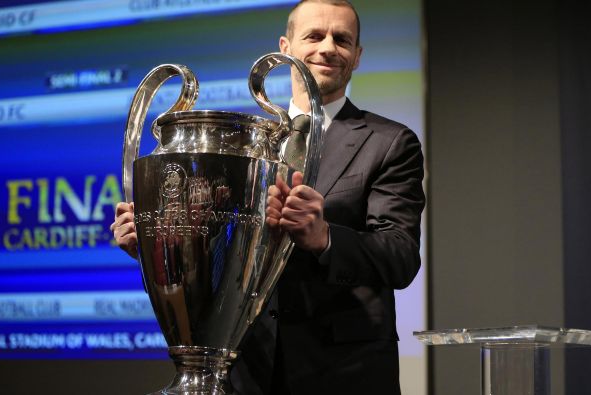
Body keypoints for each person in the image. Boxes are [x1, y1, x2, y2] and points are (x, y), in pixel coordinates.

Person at [111, 1, 425, 394]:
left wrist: (325, 237)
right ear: (286, 46)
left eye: (342, 39)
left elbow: (400, 256)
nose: (328, 47)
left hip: (343, 374)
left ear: (357, 56)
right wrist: (161, 247)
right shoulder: (242, 145)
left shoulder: (389, 143)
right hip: (245, 373)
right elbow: (216, 265)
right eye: (314, 35)